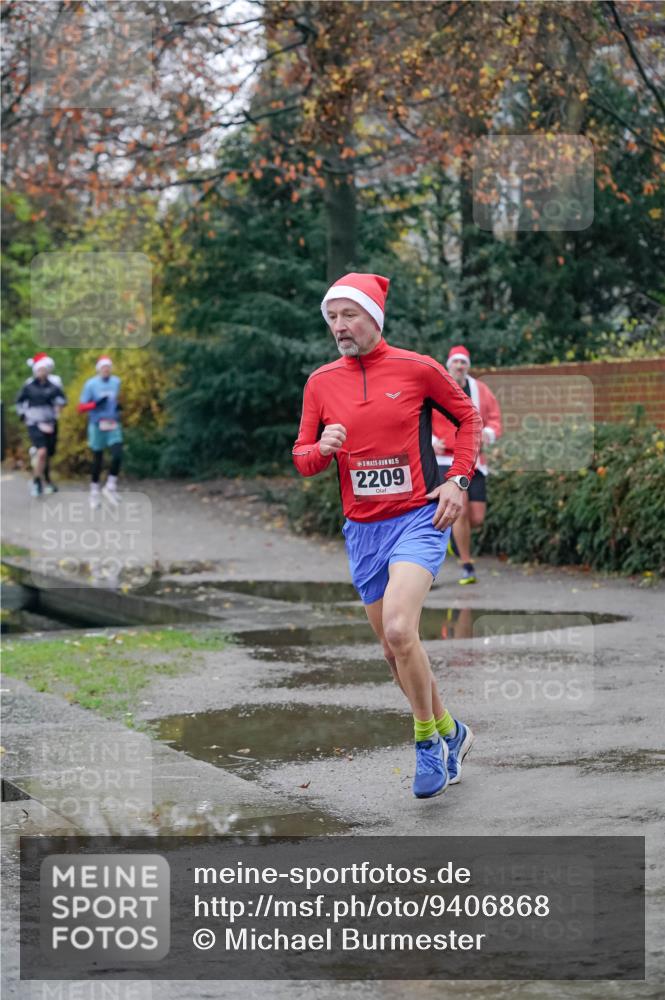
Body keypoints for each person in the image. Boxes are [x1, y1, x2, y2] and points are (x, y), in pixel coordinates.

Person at [293, 273, 481, 799]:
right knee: (391, 649)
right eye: (332, 317)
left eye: (349, 315)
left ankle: (425, 743)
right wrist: (322, 448)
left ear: (374, 317)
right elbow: (302, 459)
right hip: (363, 531)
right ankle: (451, 730)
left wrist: (458, 481)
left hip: (419, 520)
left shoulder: (418, 369)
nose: (339, 326)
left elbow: (467, 419)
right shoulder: (320, 382)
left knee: (401, 630)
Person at [432, 345, 502, 585]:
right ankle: (467, 565)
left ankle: (453, 538)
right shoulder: (437, 388)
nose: (460, 367)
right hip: (445, 460)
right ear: (449, 365)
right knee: (458, 508)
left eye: (463, 363)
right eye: (456, 363)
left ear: (468, 366)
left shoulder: (480, 390)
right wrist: (431, 441)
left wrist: (488, 434)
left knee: (477, 518)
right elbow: (419, 417)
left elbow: (494, 418)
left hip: (474, 459)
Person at [15, 353, 67, 497]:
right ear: (35, 371)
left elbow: (62, 399)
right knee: (42, 452)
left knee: (48, 454)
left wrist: (59, 406)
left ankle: (47, 480)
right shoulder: (29, 386)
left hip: (50, 422)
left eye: (44, 369)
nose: (41, 372)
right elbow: (19, 402)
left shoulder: (54, 386)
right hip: (34, 422)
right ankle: (37, 482)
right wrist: (23, 415)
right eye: (39, 370)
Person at [77, 355, 123, 508]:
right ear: (99, 369)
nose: (106, 370)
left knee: (118, 453)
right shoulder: (91, 384)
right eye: (103, 367)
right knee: (98, 459)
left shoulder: (116, 382)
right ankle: (94, 493)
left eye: (108, 367)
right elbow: (81, 407)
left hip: (112, 423)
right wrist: (95, 404)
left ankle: (111, 485)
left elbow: (117, 399)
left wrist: (117, 407)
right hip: (97, 425)